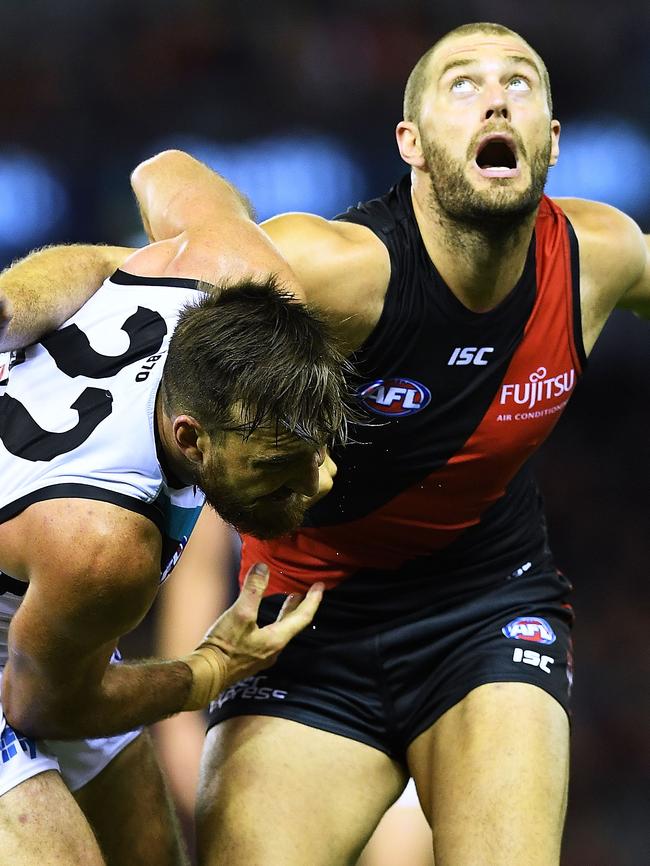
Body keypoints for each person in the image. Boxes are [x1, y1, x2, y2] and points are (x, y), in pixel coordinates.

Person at [4, 20, 649, 866]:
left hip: (486, 608)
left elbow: (169, 198)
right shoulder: (321, 273)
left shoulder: (603, 256)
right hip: (300, 630)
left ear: (553, 141)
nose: (495, 94)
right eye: (462, 82)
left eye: (520, 82)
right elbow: (47, 691)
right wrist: (200, 671)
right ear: (410, 144)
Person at [0, 158, 351, 866]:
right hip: (35, 657)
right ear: (190, 438)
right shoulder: (108, 544)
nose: (318, 484)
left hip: (42, 621)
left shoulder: (237, 268)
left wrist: (118, 265)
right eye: (279, 467)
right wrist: (211, 669)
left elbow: (163, 169)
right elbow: (37, 706)